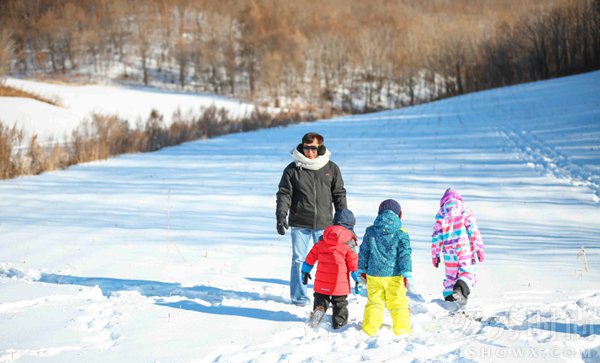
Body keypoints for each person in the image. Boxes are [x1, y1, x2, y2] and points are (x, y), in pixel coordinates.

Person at [276, 132, 347, 306]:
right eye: (307, 148)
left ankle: (327, 294)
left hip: (324, 224)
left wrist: (342, 218)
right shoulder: (293, 169)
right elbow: (284, 194)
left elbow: (339, 194)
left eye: (313, 148)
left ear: (320, 148)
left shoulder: (331, 168)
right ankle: (299, 297)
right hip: (300, 222)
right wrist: (281, 215)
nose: (310, 152)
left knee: (328, 260)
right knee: (299, 259)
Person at [358, 199, 413, 336]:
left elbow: (364, 251)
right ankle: (402, 330)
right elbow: (404, 255)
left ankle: (369, 329)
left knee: (374, 302)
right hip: (394, 276)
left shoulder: (370, 231)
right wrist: (407, 273)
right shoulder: (401, 233)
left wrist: (361, 270)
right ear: (400, 215)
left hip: (373, 274)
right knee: (398, 303)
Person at [301, 214, 359, 329]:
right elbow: (354, 263)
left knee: (321, 299)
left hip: (322, 281)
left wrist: (305, 270)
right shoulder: (348, 242)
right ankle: (339, 323)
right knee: (340, 303)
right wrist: (358, 279)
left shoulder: (323, 238)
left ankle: (318, 312)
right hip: (339, 283)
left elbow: (311, 256)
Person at [431, 187, 485, 304]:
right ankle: (460, 289)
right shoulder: (464, 210)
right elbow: (473, 230)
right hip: (463, 248)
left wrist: (435, 255)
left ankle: (450, 299)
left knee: (451, 276)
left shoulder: (441, 214)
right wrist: (479, 248)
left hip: (448, 251)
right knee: (468, 272)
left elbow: (436, 236)